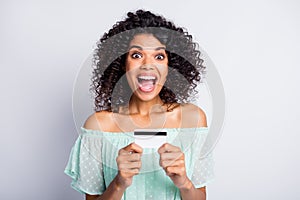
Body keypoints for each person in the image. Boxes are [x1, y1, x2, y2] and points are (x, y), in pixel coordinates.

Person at [65, 9, 214, 200]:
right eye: (136, 55)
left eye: (159, 56)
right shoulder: (98, 126)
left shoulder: (192, 120)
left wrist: (183, 182)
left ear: (170, 67)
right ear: (122, 64)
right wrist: (119, 183)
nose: (147, 65)